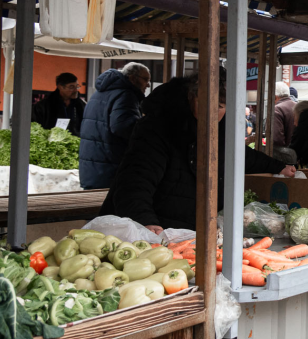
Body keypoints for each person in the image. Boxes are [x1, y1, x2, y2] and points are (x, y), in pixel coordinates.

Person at [100, 68, 293, 233]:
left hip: (192, 231)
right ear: (191, 95)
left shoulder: (220, 128)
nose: (211, 112)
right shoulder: (158, 126)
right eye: (205, 102)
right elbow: (135, 181)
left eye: (219, 106)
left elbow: (239, 154)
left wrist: (279, 167)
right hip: (158, 227)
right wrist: (145, 221)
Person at [78, 63, 150, 189]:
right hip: (111, 170)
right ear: (133, 78)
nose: (148, 85)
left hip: (94, 169)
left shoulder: (99, 93)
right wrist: (147, 126)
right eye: (146, 79)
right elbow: (123, 127)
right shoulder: (126, 95)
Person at [32, 72, 85, 136]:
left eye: (77, 86)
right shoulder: (43, 107)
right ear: (60, 87)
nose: (76, 90)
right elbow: (35, 128)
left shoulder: (81, 106)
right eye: (71, 87)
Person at [272, 82, 295, 148]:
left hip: (285, 152)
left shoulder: (277, 109)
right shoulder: (297, 106)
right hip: (299, 151)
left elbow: (276, 139)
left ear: (275, 97)